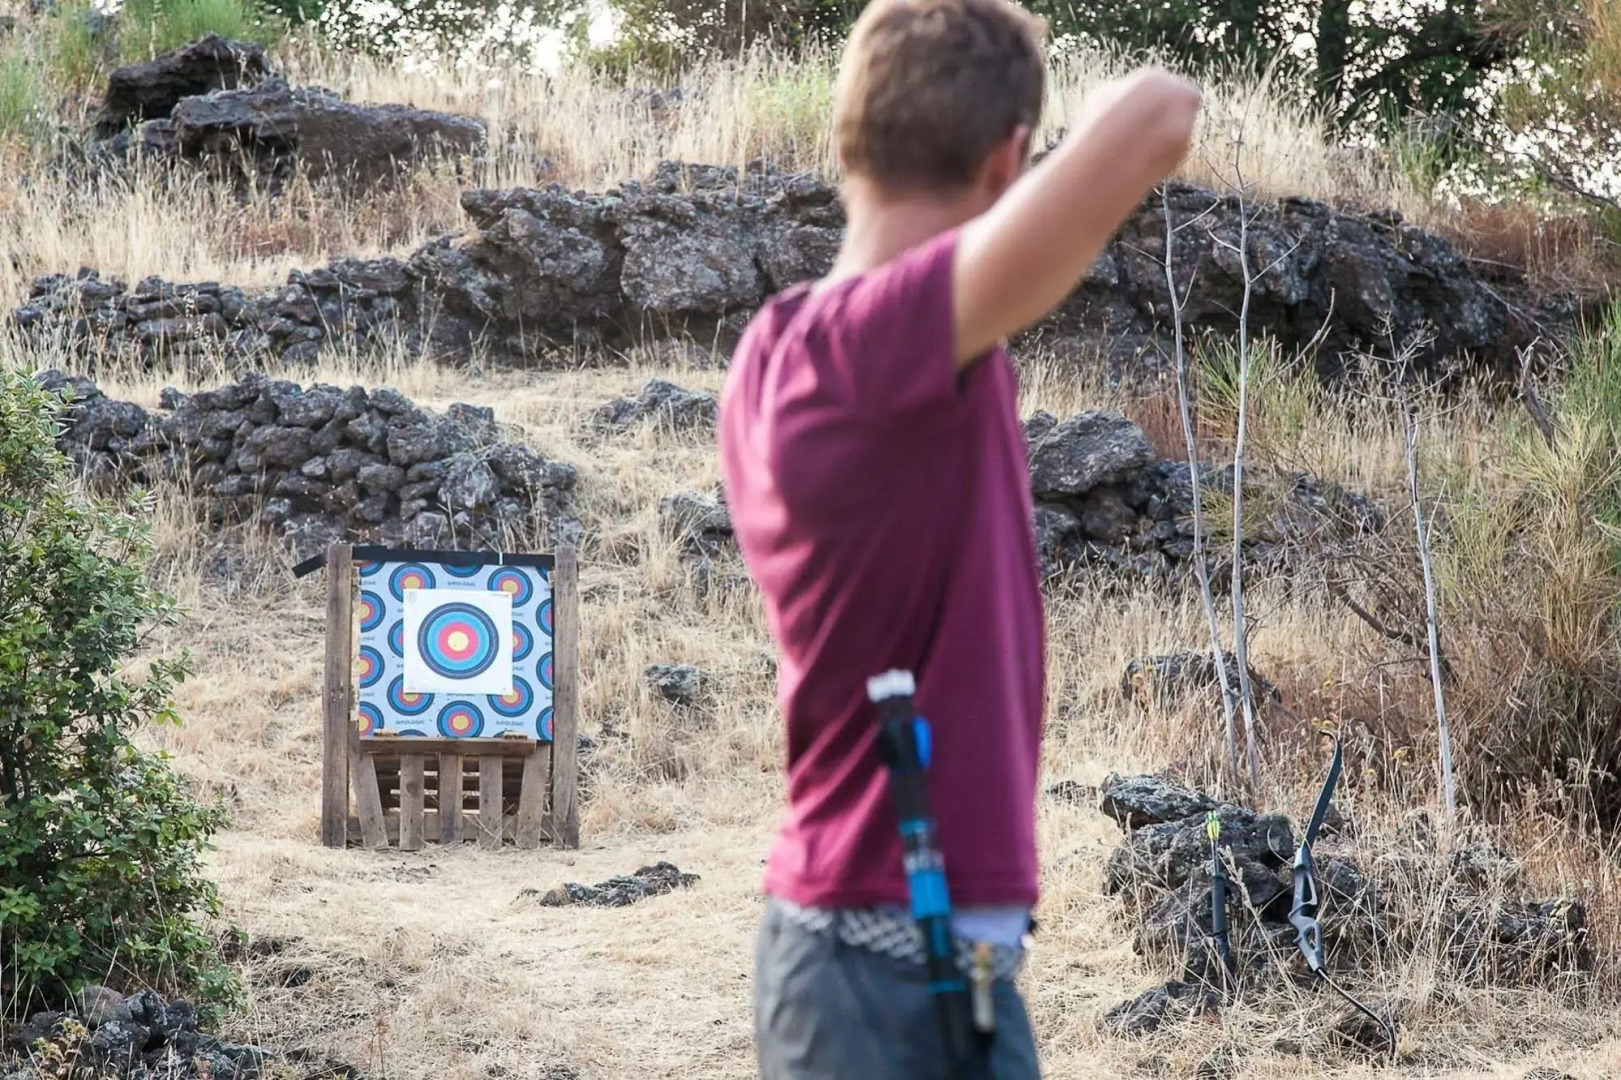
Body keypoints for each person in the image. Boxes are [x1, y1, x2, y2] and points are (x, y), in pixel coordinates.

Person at [718, 1, 1202, 1076]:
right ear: (1003, 160)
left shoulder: (781, 341)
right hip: (886, 970)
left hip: (897, 965)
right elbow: (1159, 113)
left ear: (853, 135)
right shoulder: (869, 347)